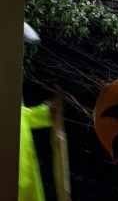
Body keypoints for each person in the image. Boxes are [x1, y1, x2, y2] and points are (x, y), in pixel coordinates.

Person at [19, 22, 54, 201]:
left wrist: (44, 114)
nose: (24, 51)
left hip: (23, 175)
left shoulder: (10, 76)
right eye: (22, 45)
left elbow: (18, 118)